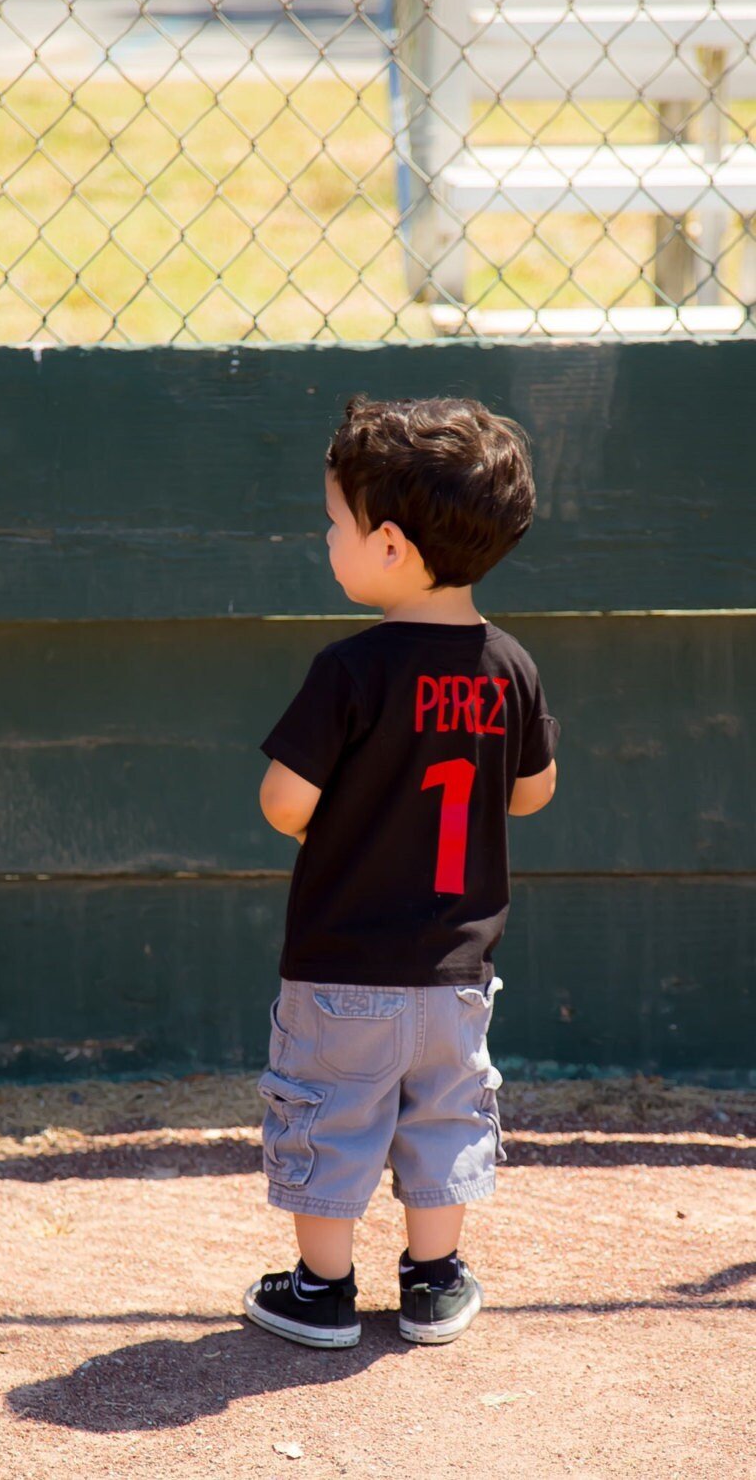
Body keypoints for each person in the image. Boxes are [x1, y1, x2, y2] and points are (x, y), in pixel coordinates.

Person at [242, 393, 560, 1350]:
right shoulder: (510, 666)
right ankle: (432, 1281)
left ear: (388, 545)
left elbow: (284, 802)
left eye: (333, 523)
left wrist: (329, 824)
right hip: (457, 971)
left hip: (343, 962)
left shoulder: (350, 670)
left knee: (330, 1116)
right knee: (444, 1118)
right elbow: (534, 793)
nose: (324, 538)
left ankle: (322, 1291)